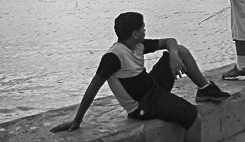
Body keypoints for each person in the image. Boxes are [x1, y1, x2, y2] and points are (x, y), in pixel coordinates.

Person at [51, 12, 229, 142]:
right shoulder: (113, 57)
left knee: (180, 50)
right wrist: (77, 120)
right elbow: (93, 87)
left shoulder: (138, 45)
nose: (146, 29)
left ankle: (205, 90)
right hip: (142, 105)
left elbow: (171, 41)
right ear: (135, 33)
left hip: (151, 87)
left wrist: (173, 55)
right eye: (143, 27)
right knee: (194, 118)